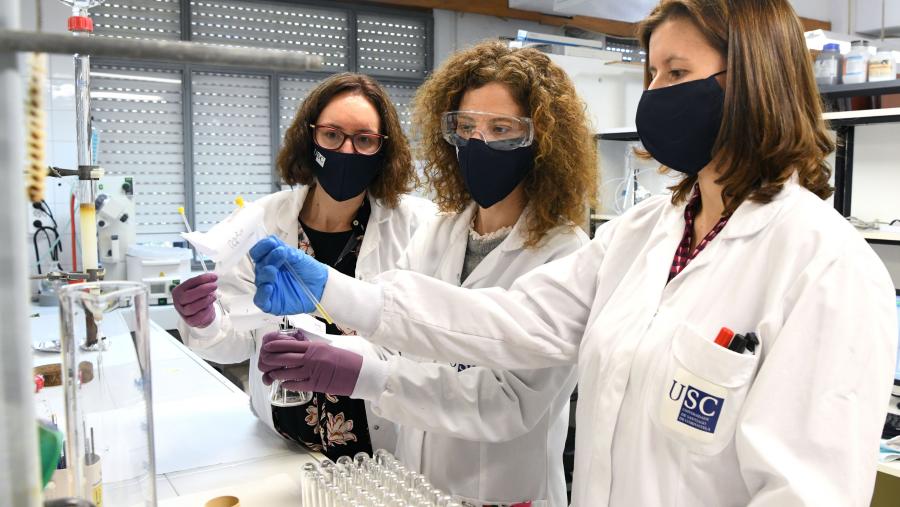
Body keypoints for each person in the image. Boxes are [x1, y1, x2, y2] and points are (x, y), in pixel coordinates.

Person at [248, 1, 899, 505]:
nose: (655, 94)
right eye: (652, 73)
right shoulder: (643, 234)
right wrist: (334, 291)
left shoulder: (825, 267)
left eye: (678, 73)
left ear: (755, 81)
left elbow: (801, 493)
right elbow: (509, 320)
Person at [255, 40, 598, 506]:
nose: (479, 144)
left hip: (504, 492)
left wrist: (363, 375)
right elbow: (395, 340)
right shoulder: (438, 234)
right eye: (467, 126)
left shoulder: (565, 254)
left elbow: (507, 403)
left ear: (541, 141)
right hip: (419, 483)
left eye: (501, 129)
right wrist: (324, 348)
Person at [172, 73, 435, 460]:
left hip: (381, 453)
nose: (346, 151)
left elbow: (431, 346)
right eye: (332, 135)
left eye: (364, 139)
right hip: (283, 447)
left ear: (384, 149)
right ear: (309, 137)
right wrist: (204, 321)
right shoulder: (262, 220)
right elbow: (236, 342)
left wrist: (340, 351)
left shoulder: (419, 226)